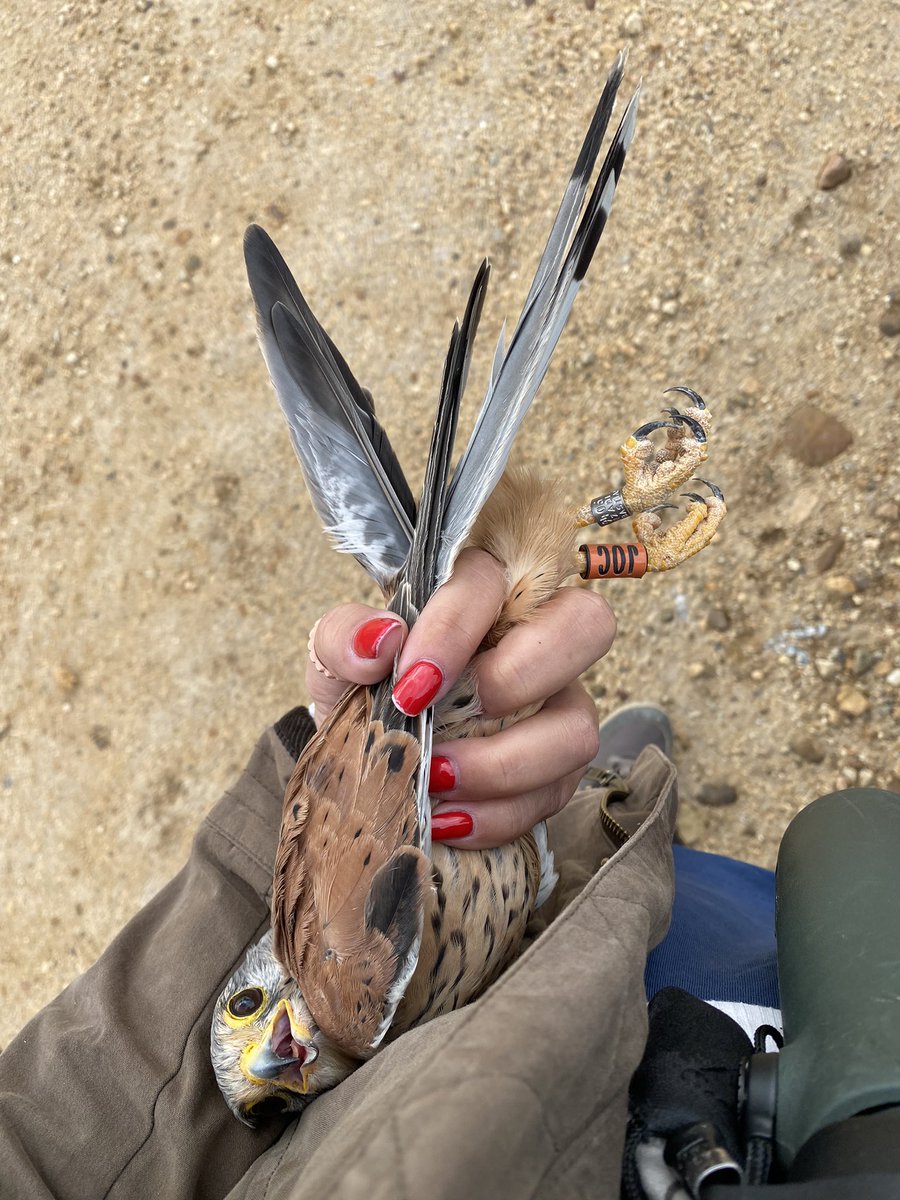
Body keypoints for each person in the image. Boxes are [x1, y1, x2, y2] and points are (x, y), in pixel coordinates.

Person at [0, 561, 767, 1199]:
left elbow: (76, 1117)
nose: (271, 1057)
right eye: (273, 1092)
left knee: (658, 873)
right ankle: (596, 806)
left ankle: (586, 802)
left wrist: (338, 769)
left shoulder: (339, 980)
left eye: (246, 1011)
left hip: (526, 900)